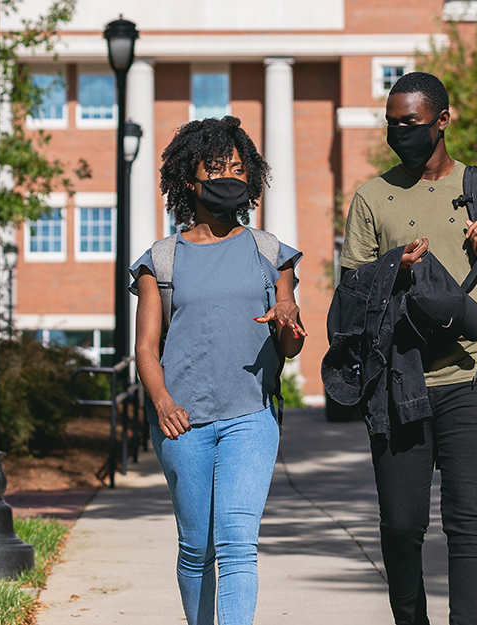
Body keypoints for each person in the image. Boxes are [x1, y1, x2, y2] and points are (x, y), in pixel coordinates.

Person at [338, 72, 477, 625]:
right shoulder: (370, 197)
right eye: (392, 124)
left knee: (467, 518)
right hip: (398, 380)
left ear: (442, 121)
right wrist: (393, 267)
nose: (400, 133)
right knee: (401, 526)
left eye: (411, 123)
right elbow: (350, 295)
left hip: (473, 375)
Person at [130, 116, 306, 625]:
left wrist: (289, 326)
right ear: (191, 178)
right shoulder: (160, 262)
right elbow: (145, 347)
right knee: (195, 548)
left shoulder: (271, 254)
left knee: (236, 544)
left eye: (237, 168)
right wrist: (163, 403)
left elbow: (289, 342)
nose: (228, 178)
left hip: (251, 417)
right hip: (181, 420)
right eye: (216, 168)